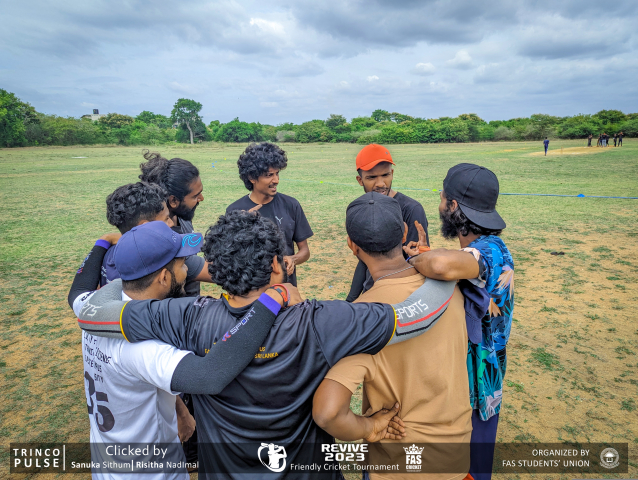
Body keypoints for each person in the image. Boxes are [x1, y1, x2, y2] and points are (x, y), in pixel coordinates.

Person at [74, 210, 458, 479]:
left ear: (216, 271)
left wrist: (121, 259)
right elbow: (416, 317)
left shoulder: (185, 316)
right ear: (277, 264)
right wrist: (447, 271)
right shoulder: (321, 320)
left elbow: (91, 312)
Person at [68, 221, 290, 479]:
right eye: (182, 264)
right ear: (163, 277)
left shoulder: (96, 307)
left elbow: (78, 292)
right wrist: (273, 299)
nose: (187, 270)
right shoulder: (144, 347)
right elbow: (210, 375)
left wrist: (181, 411)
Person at [313, 192, 472, 480]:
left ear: (352, 245)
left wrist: (369, 427)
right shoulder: (448, 285)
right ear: (403, 232)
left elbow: (328, 413)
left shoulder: (362, 317)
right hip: (457, 456)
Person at [406, 164, 514, 480]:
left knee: (468, 468)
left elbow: (440, 265)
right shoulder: (483, 249)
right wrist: (428, 252)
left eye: (443, 197)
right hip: (481, 378)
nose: (439, 203)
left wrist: (414, 259)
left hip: (477, 385)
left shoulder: (489, 250)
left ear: (453, 206)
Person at [346, 143, 429, 302]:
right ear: (360, 180)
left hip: (403, 298)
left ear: (392, 173)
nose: (380, 183)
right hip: (373, 293)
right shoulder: (362, 208)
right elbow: (364, 259)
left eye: (385, 175)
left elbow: (418, 259)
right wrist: (351, 299)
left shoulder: (411, 209)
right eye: (371, 177)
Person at [226, 142, 313, 287]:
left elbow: (305, 251)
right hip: (251, 291)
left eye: (277, 173)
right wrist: (242, 226)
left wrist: (293, 259)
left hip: (285, 290)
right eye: (269, 175)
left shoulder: (291, 205)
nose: (276, 180)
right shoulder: (235, 211)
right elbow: (229, 257)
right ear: (252, 177)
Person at [139, 151, 206, 296]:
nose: (201, 198)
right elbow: (211, 271)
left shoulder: (182, 216)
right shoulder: (159, 240)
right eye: (195, 195)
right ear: (173, 201)